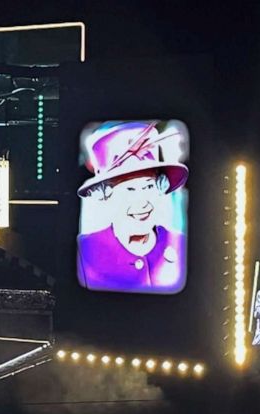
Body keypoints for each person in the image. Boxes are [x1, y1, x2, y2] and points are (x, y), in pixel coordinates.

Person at [76, 121, 189, 294]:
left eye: (149, 187)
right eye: (130, 189)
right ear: (105, 194)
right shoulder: (83, 251)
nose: (142, 202)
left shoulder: (181, 244)